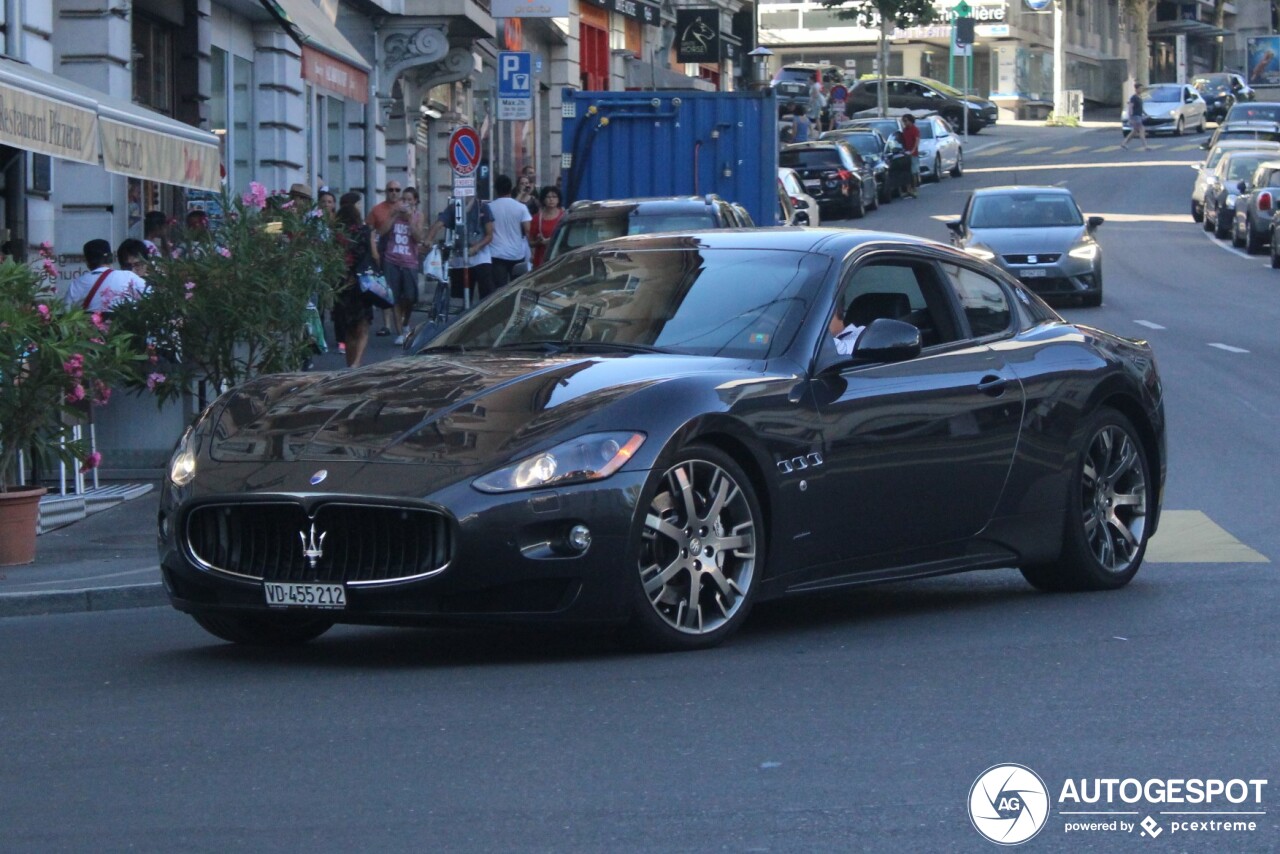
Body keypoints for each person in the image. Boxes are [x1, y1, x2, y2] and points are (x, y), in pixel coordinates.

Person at [424, 195, 495, 309]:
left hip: (480, 258)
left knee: (487, 296)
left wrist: (476, 247)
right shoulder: (454, 208)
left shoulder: (483, 207)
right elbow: (439, 223)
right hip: (460, 258)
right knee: (460, 299)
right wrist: (429, 239)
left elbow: (490, 235)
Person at [377, 186, 426, 344]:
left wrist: (410, 219)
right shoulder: (394, 215)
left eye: (409, 200)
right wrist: (394, 215)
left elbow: (418, 238)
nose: (405, 202)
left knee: (410, 298)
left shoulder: (418, 216)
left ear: (415, 202)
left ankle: (405, 323)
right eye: (403, 199)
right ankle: (400, 332)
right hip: (392, 260)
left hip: (410, 261)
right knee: (394, 298)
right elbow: (382, 232)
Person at [332, 201, 378, 367]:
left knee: (348, 328)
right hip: (362, 282)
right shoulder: (366, 232)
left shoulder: (336, 234)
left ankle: (350, 364)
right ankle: (356, 363)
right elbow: (374, 255)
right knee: (363, 325)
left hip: (342, 283)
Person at [63, 239, 147, 312]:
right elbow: (153, 302)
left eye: (138, 265)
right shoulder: (128, 277)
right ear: (111, 258)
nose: (133, 269)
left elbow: (66, 315)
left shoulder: (76, 285)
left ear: (87, 262)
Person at [367, 181, 402, 336]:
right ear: (386, 191)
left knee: (403, 292)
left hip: (403, 254)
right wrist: (374, 252)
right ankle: (387, 324)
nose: (394, 192)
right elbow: (370, 231)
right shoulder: (377, 210)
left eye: (397, 190)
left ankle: (402, 324)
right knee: (386, 289)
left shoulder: (405, 207)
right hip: (384, 252)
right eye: (390, 190)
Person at [488, 175, 533, 290]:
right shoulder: (521, 207)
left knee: (499, 291)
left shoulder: (489, 207)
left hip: (496, 254)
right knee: (517, 289)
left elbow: (487, 230)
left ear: (496, 189)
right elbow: (528, 231)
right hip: (517, 253)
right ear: (511, 188)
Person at [528, 185, 565, 269]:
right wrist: (538, 242)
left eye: (554, 197)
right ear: (543, 199)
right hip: (541, 261)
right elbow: (530, 242)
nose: (551, 199)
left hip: (559, 259)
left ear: (558, 199)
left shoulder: (564, 217)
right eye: (548, 197)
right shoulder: (536, 218)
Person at [1122, 83, 1150, 151]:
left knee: (1134, 131)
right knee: (1141, 130)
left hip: (1139, 116)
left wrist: (1146, 114)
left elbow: (1141, 108)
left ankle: (1124, 143)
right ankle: (1145, 146)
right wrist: (1130, 117)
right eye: (1140, 88)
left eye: (1141, 89)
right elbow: (1130, 107)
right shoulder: (1133, 98)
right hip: (1135, 116)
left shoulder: (1140, 97)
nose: (1141, 90)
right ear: (1136, 89)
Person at [901, 114, 921, 198]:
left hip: (913, 154)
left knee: (913, 172)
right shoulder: (905, 130)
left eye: (906, 121)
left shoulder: (915, 130)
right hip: (906, 154)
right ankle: (908, 190)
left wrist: (913, 150)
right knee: (906, 172)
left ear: (910, 120)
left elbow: (917, 141)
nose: (904, 123)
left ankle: (914, 189)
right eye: (903, 121)